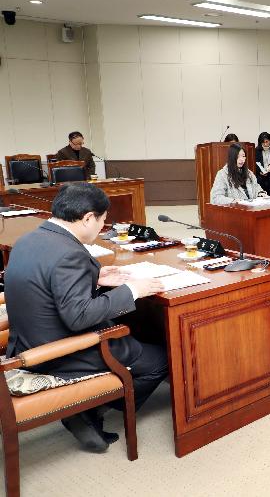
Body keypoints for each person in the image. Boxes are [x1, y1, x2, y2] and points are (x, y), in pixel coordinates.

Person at [3, 182, 167, 452]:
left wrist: (93, 276)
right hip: (59, 353)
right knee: (160, 359)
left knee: (134, 332)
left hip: (26, 342)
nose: (102, 227)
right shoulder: (70, 253)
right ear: (88, 218)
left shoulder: (29, 240)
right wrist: (132, 290)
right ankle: (89, 409)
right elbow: (78, 317)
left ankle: (86, 410)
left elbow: (46, 281)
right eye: (102, 221)